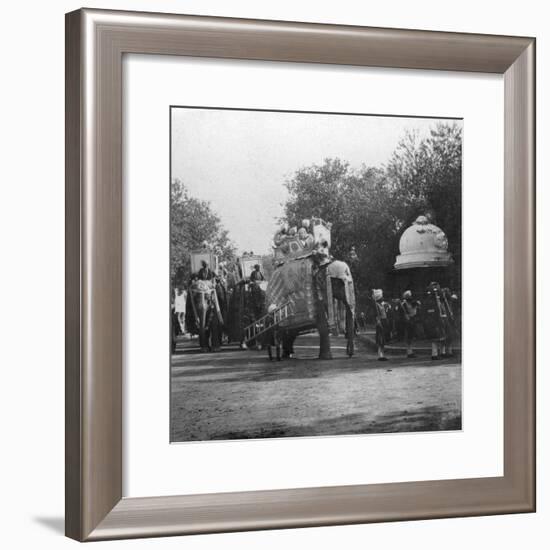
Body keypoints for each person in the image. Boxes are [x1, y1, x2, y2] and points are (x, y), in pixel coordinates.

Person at [424, 281, 446, 360]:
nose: (435, 290)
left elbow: (443, 308)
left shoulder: (440, 299)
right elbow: (429, 310)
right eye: (433, 287)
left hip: (441, 318)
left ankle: (442, 352)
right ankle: (434, 354)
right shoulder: (429, 300)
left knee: (442, 336)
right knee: (435, 338)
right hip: (433, 320)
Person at [400, 290, 420, 358]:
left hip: (413, 319)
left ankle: (410, 351)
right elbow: (405, 313)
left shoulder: (413, 302)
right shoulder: (404, 304)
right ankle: (409, 352)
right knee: (408, 337)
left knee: (411, 337)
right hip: (408, 320)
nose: (410, 297)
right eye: (409, 296)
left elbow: (418, 306)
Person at [373, 289, 388, 361]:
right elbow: (377, 315)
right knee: (380, 338)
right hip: (380, 322)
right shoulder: (376, 305)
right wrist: (379, 322)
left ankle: (382, 354)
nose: (382, 298)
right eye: (381, 296)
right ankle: (380, 355)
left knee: (383, 338)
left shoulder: (381, 304)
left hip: (384, 321)